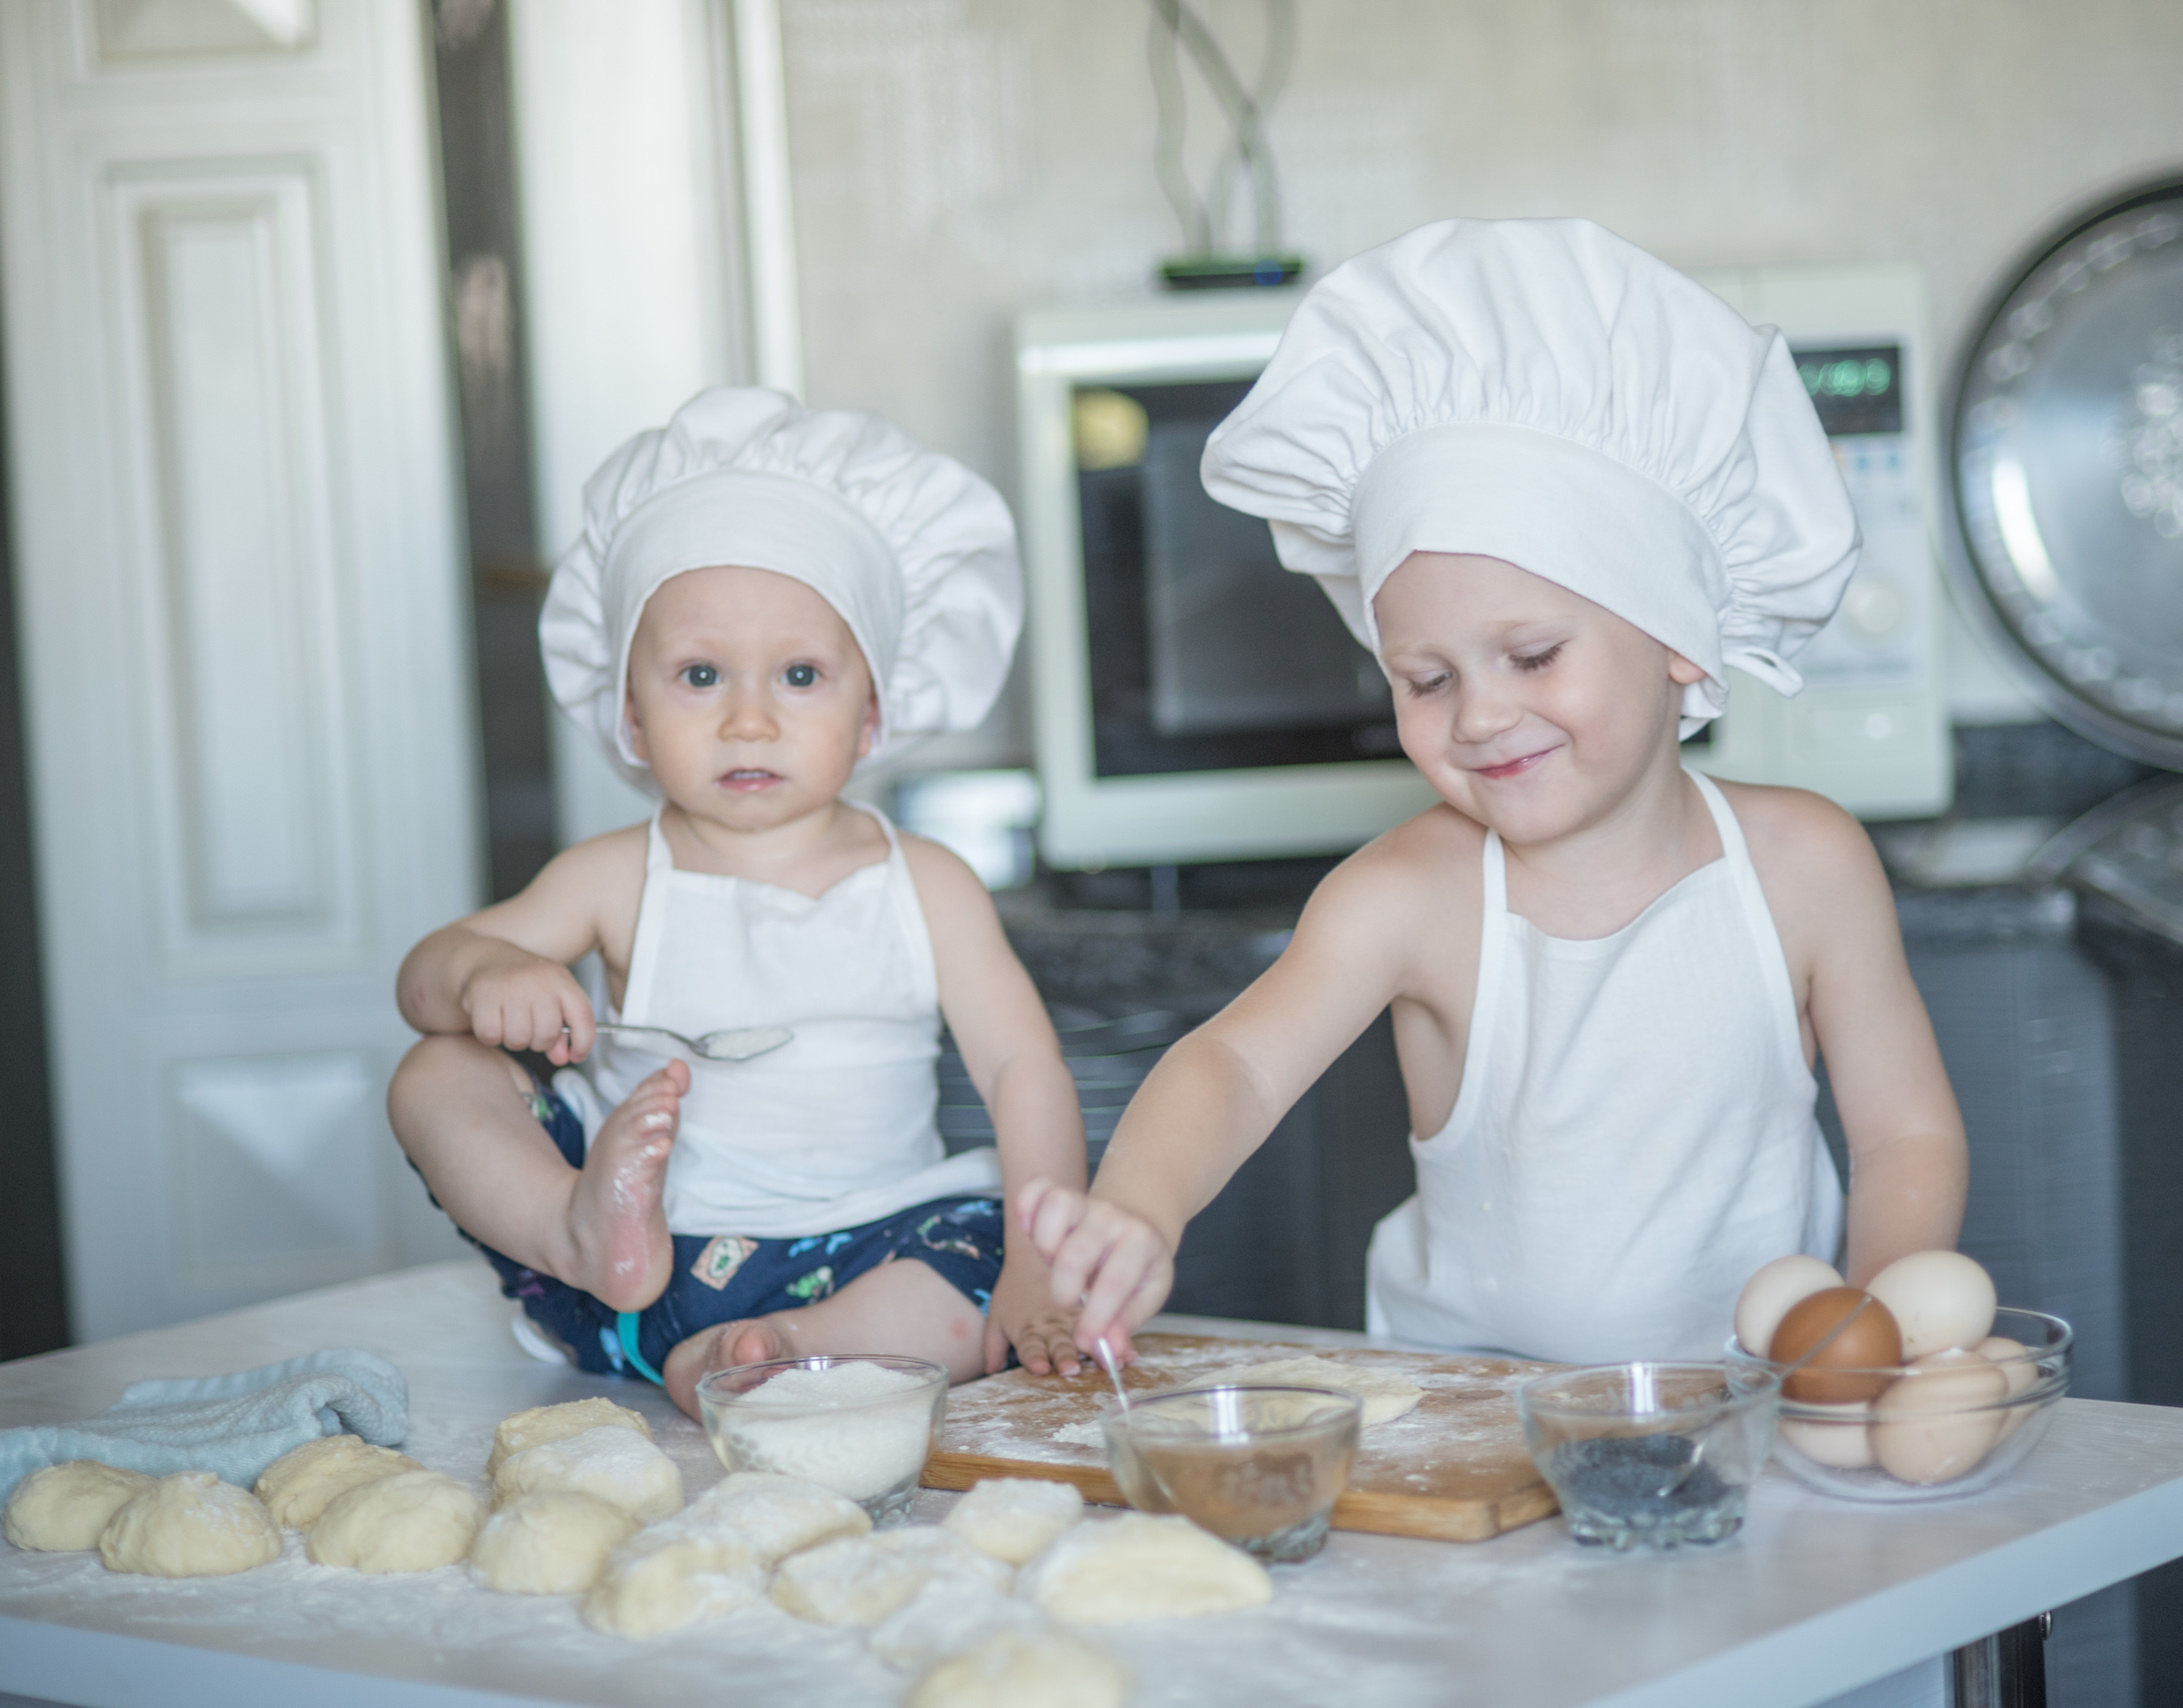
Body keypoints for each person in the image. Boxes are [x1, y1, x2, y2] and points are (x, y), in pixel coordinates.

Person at [1021, 219, 1968, 1365]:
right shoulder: (1414, 893)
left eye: (1529, 656)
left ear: (1678, 634)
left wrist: (1865, 1332)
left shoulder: (1805, 864)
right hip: (1471, 1434)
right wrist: (1141, 1205)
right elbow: (1235, 1063)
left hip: (1763, 1420)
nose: (1475, 715)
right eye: (1425, 678)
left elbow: (1904, 1131)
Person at [390, 388, 1088, 1415]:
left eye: (800, 674)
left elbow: (1024, 1068)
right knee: (435, 1067)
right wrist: (487, 972)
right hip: (644, 1263)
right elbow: (425, 976)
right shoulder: (616, 873)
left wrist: (1040, 1261)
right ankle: (572, 1222)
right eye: (700, 674)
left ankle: (787, 1347)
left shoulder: (927, 881)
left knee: (973, 1275)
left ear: (873, 712)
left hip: (871, 1246)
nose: (749, 720)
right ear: (630, 712)